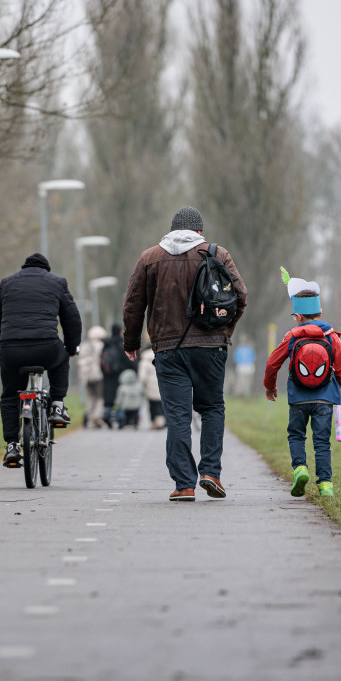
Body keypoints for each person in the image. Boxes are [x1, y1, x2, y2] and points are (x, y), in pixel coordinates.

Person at [122, 207, 248, 502]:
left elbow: (133, 304)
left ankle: (184, 485)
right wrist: (224, 331)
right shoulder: (217, 253)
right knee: (212, 408)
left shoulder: (150, 258)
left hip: (168, 350)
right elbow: (240, 296)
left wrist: (131, 342)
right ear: (199, 231)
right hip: (211, 347)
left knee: (178, 416)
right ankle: (211, 473)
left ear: (172, 230)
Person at [262, 275, 341, 498]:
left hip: (298, 398)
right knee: (322, 441)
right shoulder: (331, 337)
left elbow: (271, 363)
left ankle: (300, 469)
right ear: (320, 312)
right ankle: (325, 485)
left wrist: (270, 386)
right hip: (325, 399)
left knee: (296, 435)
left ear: (298, 316)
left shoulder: (292, 336)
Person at [0, 253, 82, 467]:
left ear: (24, 267)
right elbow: (72, 319)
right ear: (46, 269)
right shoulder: (57, 282)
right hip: (46, 348)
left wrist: (4, 345)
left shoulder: (7, 283)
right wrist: (71, 347)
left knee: (10, 396)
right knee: (62, 357)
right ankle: (57, 405)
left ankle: (12, 445)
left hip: (12, 350)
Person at [100, 323, 135, 428]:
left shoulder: (106, 344)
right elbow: (127, 360)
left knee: (109, 399)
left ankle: (107, 415)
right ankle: (120, 418)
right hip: (120, 376)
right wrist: (134, 368)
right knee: (120, 398)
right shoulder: (121, 344)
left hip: (108, 376)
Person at [77, 325, 108, 427]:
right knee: (99, 396)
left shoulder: (84, 345)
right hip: (98, 375)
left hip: (86, 376)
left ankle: (90, 418)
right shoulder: (101, 345)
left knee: (90, 397)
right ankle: (97, 415)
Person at [138, 348, 166, 429]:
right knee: (162, 404)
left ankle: (155, 420)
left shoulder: (145, 361)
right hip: (163, 385)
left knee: (153, 405)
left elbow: (142, 377)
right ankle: (162, 419)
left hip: (150, 387)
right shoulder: (163, 357)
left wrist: (143, 385)